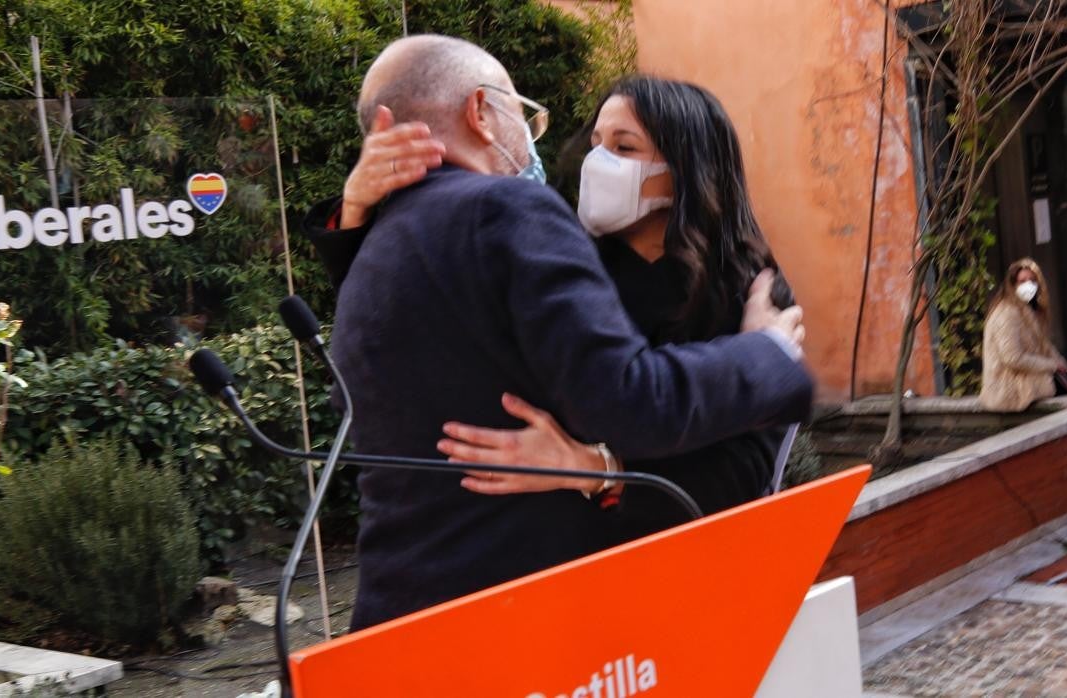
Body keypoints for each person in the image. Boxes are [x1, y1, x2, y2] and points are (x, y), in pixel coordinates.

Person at [321, 35, 813, 630]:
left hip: (655, 586)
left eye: (624, 146)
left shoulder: (747, 288)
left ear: (684, 168)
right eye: (596, 142)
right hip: (531, 610)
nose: (595, 160)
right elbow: (628, 397)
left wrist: (594, 469)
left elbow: (742, 472)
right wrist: (767, 354)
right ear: (481, 112)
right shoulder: (532, 232)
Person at [979, 258, 1067, 412]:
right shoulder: (1006, 313)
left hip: (1026, 378)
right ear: (1012, 285)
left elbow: (1044, 346)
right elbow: (1012, 358)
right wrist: (1052, 366)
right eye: (1022, 281)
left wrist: (1063, 365)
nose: (1028, 285)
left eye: (1032, 280)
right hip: (1009, 386)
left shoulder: (1029, 311)